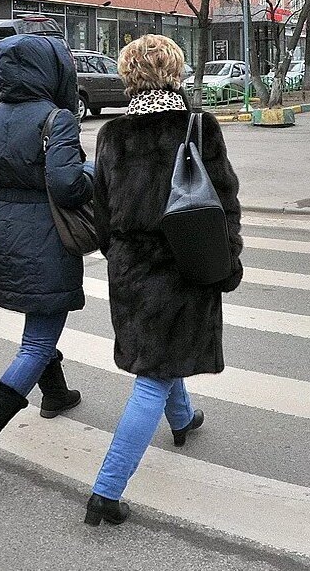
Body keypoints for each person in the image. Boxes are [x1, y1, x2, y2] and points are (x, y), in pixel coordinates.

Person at [85, 34, 243, 525]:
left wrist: (120, 254)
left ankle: (183, 419)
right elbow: (225, 202)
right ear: (174, 71)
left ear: (128, 76)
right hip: (186, 264)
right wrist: (229, 259)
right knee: (154, 375)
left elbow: (102, 212)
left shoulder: (112, 135)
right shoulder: (199, 126)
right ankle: (105, 492)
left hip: (131, 268)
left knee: (157, 353)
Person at [0, 34, 93, 478]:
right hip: (46, 233)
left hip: (2, 229)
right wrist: (92, 169)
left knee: (39, 317)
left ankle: (56, 394)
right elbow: (67, 186)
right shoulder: (56, 118)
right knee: (38, 339)